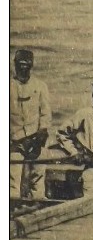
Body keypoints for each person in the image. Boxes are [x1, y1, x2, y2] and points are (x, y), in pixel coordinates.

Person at [10, 49, 51, 199]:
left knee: (37, 179)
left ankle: (38, 209)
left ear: (32, 65)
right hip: (14, 143)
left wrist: (38, 138)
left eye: (27, 64)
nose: (23, 68)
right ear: (14, 65)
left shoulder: (40, 86)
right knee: (12, 182)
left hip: (36, 141)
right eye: (20, 65)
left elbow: (46, 116)